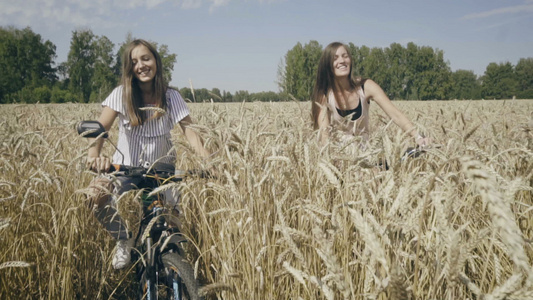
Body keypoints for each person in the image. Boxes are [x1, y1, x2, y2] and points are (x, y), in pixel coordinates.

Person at [86, 39, 210, 270]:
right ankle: (123, 238)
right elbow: (100, 129)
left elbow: (191, 134)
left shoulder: (171, 96)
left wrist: (210, 162)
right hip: (125, 170)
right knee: (95, 195)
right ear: (129, 69)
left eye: (146, 58)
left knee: (172, 228)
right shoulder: (121, 94)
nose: (141, 65)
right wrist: (95, 156)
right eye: (134, 62)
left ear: (155, 61)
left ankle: (176, 271)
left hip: (163, 173)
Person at [311, 42, 430, 149]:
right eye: (335, 58)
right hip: (339, 159)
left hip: (366, 154)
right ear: (327, 65)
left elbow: (395, 114)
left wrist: (418, 137)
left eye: (345, 56)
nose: (342, 61)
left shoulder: (366, 86)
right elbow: (324, 135)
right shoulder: (324, 95)